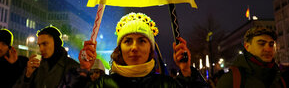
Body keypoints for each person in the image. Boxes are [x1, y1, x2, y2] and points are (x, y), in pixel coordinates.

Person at [67, 12, 208, 87]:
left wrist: (186, 70)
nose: (134, 47)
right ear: (120, 48)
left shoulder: (166, 84)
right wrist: (83, 71)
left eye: (142, 41)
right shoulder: (104, 84)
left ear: (151, 48)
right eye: (128, 41)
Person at [216, 27, 286, 88]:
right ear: (247, 46)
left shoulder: (278, 78)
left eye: (271, 44)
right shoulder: (231, 80)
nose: (268, 49)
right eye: (261, 43)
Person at [14, 26, 79, 88]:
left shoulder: (72, 67)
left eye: (45, 44)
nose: (41, 49)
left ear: (56, 43)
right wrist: (27, 76)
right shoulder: (36, 65)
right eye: (39, 45)